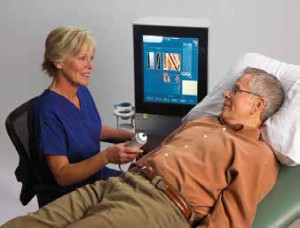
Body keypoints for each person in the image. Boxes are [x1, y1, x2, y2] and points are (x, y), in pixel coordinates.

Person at [2, 67, 285, 228]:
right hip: (119, 184)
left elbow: (230, 220)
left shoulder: (256, 155)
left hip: (161, 207)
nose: (226, 93)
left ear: (258, 104)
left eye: (236, 90)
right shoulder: (204, 122)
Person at [26, 26, 142, 207]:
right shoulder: (45, 112)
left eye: (91, 58)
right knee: (142, 204)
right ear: (58, 61)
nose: (90, 66)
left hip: (95, 178)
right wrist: (106, 157)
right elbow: (62, 176)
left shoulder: (82, 92)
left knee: (150, 187)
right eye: (82, 58)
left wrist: (132, 137)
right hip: (71, 195)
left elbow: (89, 127)